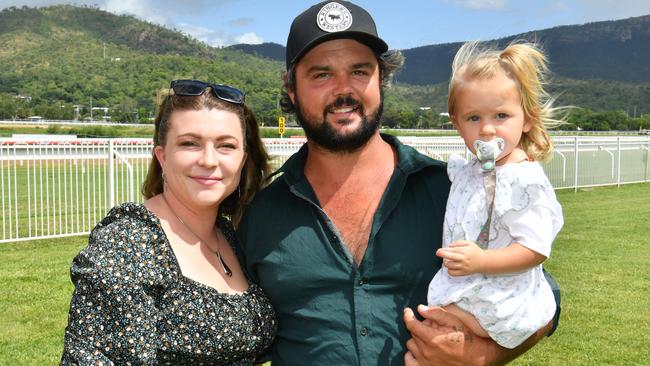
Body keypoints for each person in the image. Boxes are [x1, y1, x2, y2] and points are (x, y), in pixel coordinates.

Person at [237, 1, 557, 365]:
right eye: (321, 74)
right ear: (292, 91)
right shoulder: (261, 213)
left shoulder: (451, 189)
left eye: (360, 72)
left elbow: (543, 294)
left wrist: (485, 354)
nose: (344, 89)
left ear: (381, 80)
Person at [61, 80, 276, 365]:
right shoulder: (128, 244)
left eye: (226, 146)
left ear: (242, 159)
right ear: (162, 156)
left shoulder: (231, 236)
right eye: (190, 143)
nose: (209, 160)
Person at [426, 41, 564, 349]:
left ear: (527, 119)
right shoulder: (468, 171)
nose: (487, 130)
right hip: (465, 289)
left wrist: (482, 261)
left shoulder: (525, 181)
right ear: (457, 124)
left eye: (501, 116)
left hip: (501, 298)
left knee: (436, 341)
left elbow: (535, 249)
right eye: (473, 118)